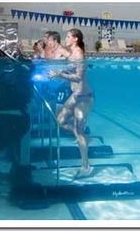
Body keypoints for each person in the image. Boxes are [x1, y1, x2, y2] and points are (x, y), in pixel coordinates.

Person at [49, 29, 93, 179]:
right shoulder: (73, 53)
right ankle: (82, 137)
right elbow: (68, 62)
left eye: (68, 36)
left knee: (79, 130)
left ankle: (86, 167)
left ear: (75, 39)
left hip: (84, 97)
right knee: (60, 121)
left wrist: (60, 73)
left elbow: (78, 77)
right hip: (75, 96)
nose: (65, 38)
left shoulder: (79, 53)